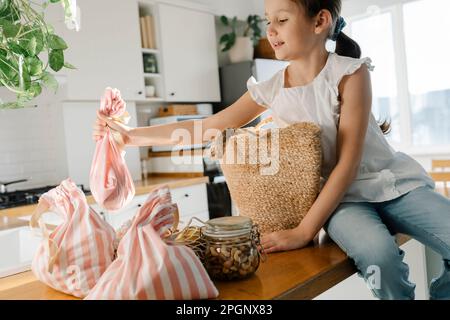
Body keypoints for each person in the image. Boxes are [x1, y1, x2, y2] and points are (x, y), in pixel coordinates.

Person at [92, 0, 450, 300]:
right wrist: (129, 137)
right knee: (380, 258)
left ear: (320, 21)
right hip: (341, 201)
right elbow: (207, 126)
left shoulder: (351, 73)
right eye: (268, 21)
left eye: (281, 20)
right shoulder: (271, 88)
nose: (270, 30)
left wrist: (303, 232)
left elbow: (348, 162)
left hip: (393, 184)